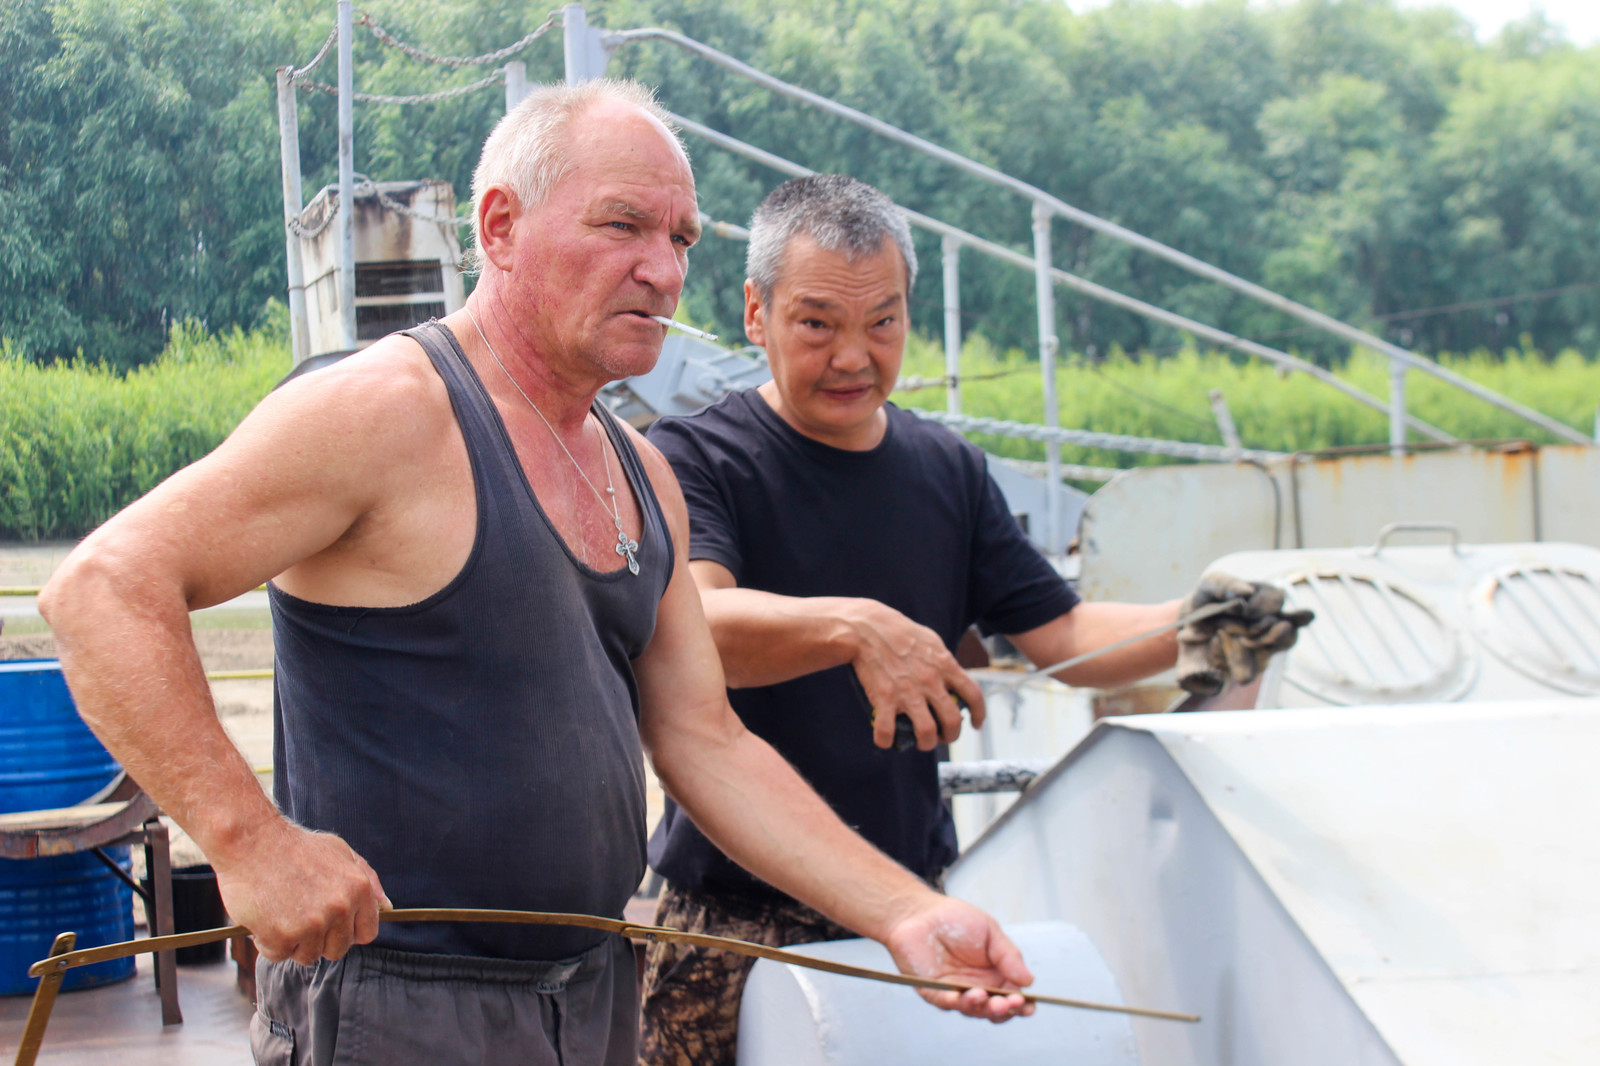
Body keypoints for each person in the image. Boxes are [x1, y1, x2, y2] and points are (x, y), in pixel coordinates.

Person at [37, 84, 1037, 1066]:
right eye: (622, 225)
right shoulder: (387, 411)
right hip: (401, 1008)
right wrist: (247, 839)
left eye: (682, 239)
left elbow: (706, 740)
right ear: (502, 226)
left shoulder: (642, 474)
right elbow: (102, 589)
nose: (660, 269)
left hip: (594, 992)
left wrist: (909, 912)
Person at [639, 174, 1310, 1066]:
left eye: (883, 322)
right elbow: (702, 624)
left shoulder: (945, 468)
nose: (853, 356)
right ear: (757, 314)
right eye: (817, 324)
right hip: (732, 917)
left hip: (910, 913)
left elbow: (1063, 639)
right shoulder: (696, 459)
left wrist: (1195, 626)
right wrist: (859, 627)